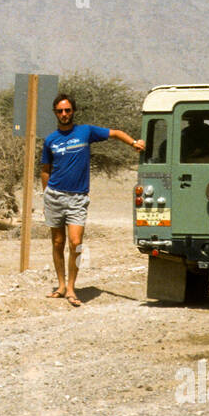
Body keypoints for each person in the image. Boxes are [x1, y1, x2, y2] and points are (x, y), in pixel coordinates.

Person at [39, 94, 143, 306]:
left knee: (76, 243)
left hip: (77, 198)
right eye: (60, 111)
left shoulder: (85, 131)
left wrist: (133, 143)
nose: (64, 114)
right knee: (57, 243)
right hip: (55, 197)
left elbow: (114, 133)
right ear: (55, 113)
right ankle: (60, 285)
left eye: (67, 110)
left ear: (73, 111)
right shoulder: (50, 140)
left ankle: (71, 288)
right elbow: (45, 169)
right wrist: (46, 195)